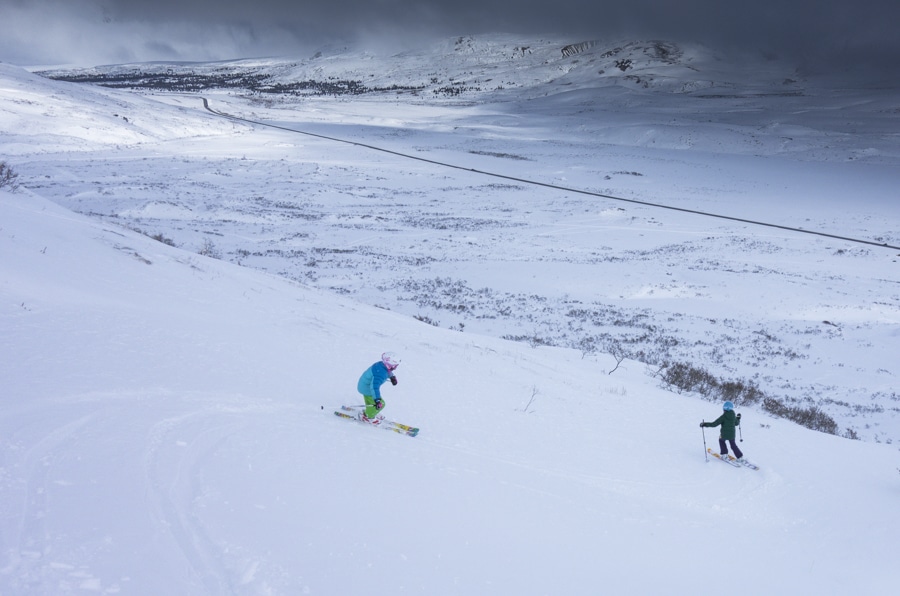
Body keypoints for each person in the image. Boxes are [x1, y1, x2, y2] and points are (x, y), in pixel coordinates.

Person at [356, 352, 401, 424]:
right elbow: (374, 387)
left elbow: (387, 371)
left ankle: (371, 411)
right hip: (367, 388)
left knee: (372, 402)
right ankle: (367, 416)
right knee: (381, 404)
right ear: (389, 365)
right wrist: (377, 400)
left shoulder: (381, 365)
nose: (395, 367)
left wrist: (392, 377)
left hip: (364, 385)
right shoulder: (380, 374)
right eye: (394, 366)